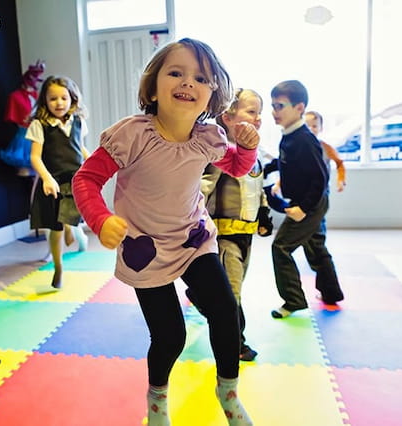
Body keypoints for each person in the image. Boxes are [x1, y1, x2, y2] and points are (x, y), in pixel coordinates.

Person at [72, 38, 258, 426]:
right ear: (153, 86)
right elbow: (86, 179)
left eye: (200, 78)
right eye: (176, 73)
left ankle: (228, 390)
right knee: (170, 335)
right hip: (145, 248)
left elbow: (238, 168)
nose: (188, 82)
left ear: (212, 95)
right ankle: (157, 399)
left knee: (226, 311)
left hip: (193, 239)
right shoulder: (132, 135)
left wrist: (247, 148)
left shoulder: (208, 139)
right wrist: (101, 219)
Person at [194, 88, 272, 362]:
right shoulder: (221, 152)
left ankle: (202, 297)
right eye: (252, 111)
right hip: (224, 235)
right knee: (232, 295)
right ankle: (236, 343)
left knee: (232, 290)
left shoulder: (253, 152)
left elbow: (257, 186)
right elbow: (201, 188)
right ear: (227, 116)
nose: (259, 118)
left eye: (260, 112)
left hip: (246, 234)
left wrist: (263, 215)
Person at [266, 80, 344, 319]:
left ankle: (294, 300)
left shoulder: (304, 138)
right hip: (307, 202)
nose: (274, 112)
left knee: (281, 247)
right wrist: (269, 168)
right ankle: (331, 293)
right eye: (273, 106)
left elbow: (320, 178)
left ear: (299, 108)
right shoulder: (290, 136)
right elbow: (290, 162)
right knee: (316, 247)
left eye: (279, 106)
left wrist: (303, 208)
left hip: (310, 204)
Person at [27, 75, 90, 288]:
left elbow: (79, 148)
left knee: (71, 219)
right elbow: (35, 156)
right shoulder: (40, 124)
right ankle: (58, 266)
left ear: (73, 99)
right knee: (55, 228)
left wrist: (93, 163)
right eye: (53, 98)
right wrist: (46, 178)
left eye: (64, 98)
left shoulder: (79, 122)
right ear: (45, 100)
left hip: (75, 179)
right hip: (53, 180)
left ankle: (74, 232)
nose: (59, 103)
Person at [305, 111, 346, 192]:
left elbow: (339, 163)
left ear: (321, 128)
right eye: (307, 126)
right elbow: (290, 168)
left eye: (314, 126)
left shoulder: (326, 148)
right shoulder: (298, 148)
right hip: (303, 190)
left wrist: (341, 180)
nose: (310, 129)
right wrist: (279, 184)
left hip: (322, 190)